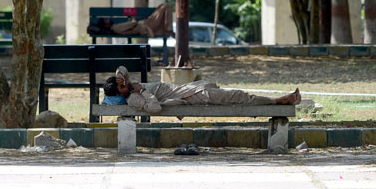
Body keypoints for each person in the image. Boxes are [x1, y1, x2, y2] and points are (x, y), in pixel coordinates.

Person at [102, 66, 302, 113]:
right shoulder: (132, 99)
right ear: (119, 93)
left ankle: (278, 100)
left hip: (191, 89)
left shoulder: (128, 86)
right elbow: (154, 108)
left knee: (235, 95)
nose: (125, 84)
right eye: (122, 86)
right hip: (193, 96)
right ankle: (279, 101)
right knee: (239, 96)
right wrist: (142, 91)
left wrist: (119, 75)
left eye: (123, 82)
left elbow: (122, 69)